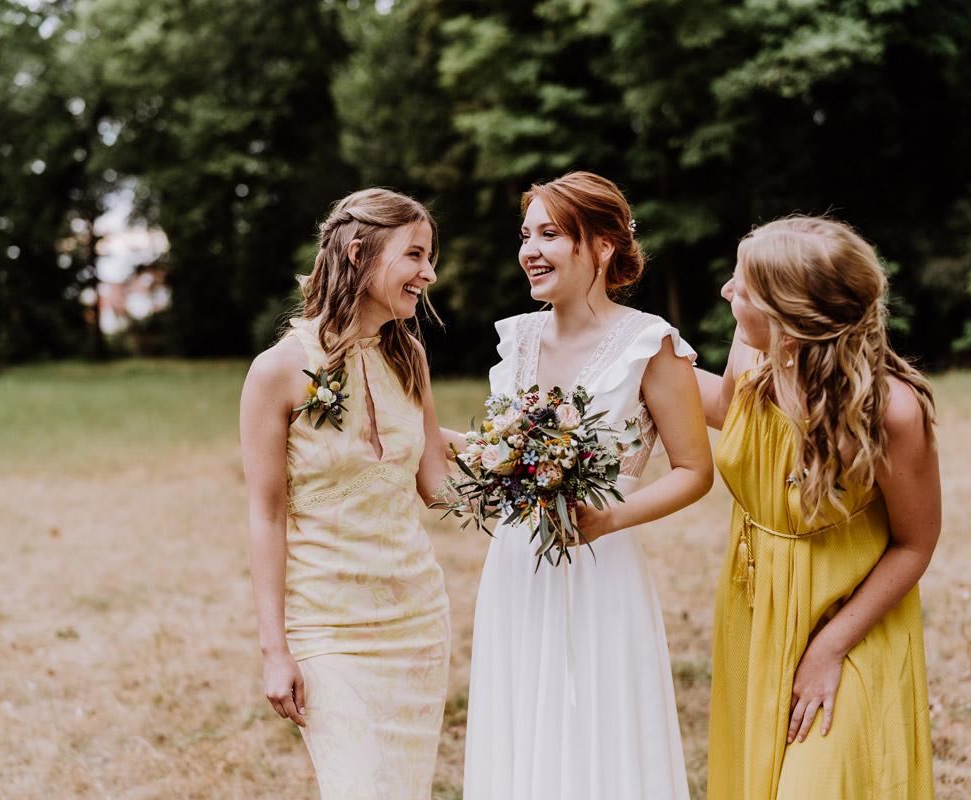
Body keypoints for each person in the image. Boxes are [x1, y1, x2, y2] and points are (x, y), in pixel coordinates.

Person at [461, 171, 714, 800]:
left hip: (602, 566)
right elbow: (499, 451)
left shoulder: (650, 343)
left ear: (602, 245)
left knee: (596, 732)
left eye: (551, 233)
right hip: (517, 566)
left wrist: (607, 519)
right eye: (526, 235)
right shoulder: (515, 337)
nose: (530, 250)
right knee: (521, 726)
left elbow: (694, 471)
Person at [696, 216, 940, 799]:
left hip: (850, 620)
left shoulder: (891, 411)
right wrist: (627, 369)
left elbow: (916, 542)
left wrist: (829, 649)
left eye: (744, 286)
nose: (728, 292)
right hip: (758, 604)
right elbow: (731, 412)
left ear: (793, 318)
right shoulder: (754, 356)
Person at [239, 188, 451, 799]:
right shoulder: (277, 371)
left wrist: (532, 468)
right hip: (330, 629)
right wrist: (273, 649)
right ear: (359, 253)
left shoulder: (410, 355)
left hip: (417, 622)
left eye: (429, 256)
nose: (428, 273)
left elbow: (436, 484)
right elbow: (265, 514)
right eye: (415, 255)